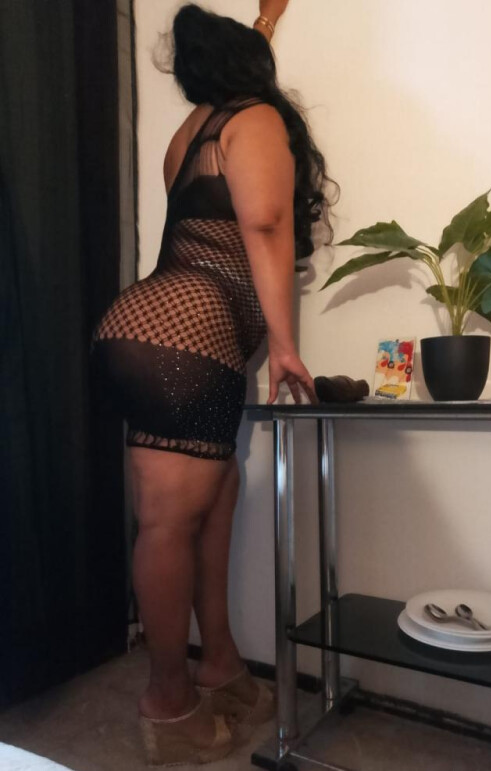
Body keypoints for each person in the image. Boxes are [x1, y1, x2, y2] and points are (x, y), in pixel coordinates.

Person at [90, 0, 335, 765]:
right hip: (184, 340)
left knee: (214, 497)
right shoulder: (254, 120)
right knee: (169, 520)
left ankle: (220, 664)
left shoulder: (194, 129)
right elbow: (264, 223)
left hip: (159, 332)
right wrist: (286, 346)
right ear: (254, 72)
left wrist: (264, 23)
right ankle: (167, 704)